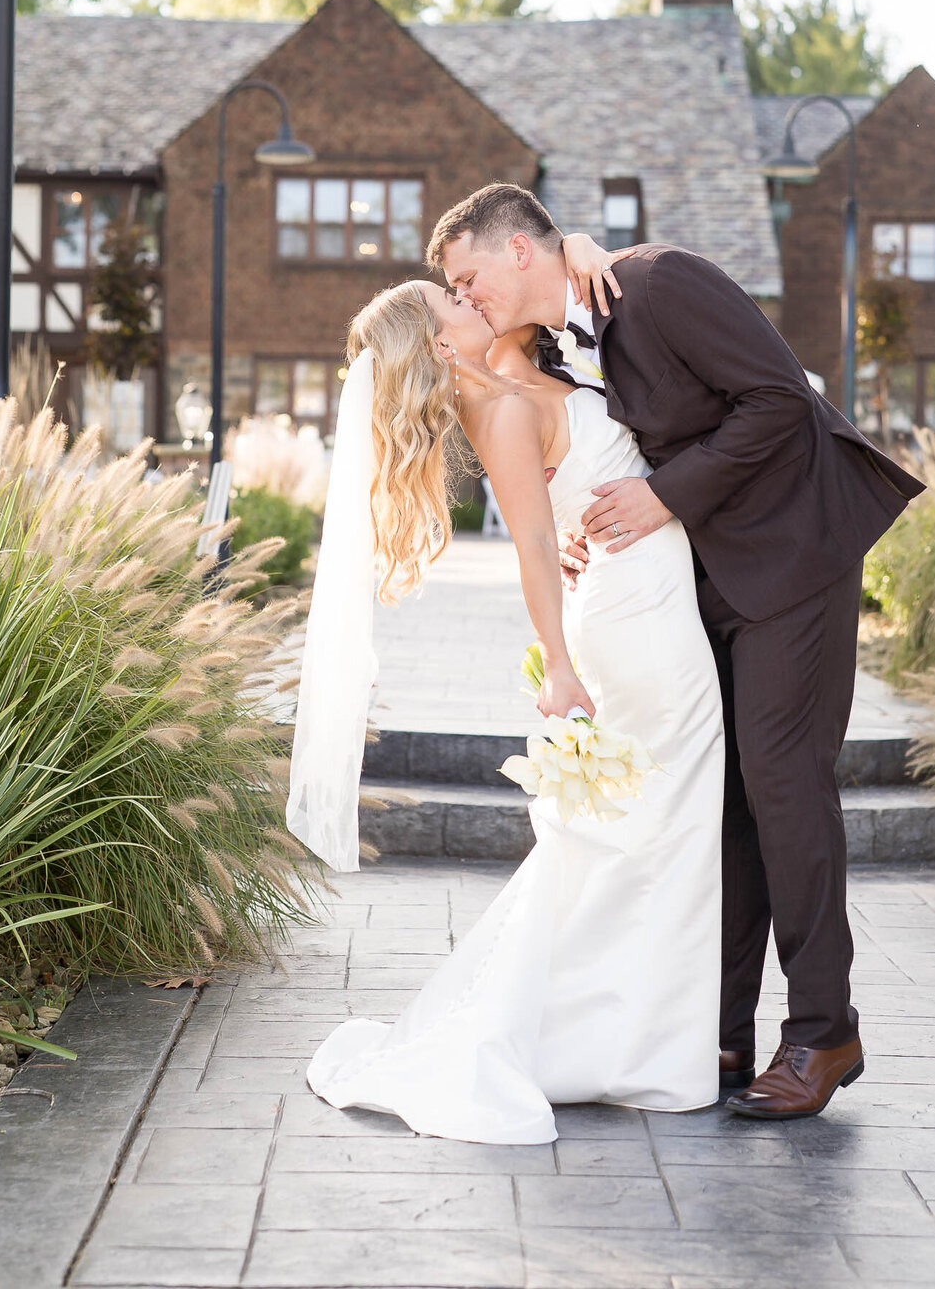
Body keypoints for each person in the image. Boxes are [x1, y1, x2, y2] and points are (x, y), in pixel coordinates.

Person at [430, 183, 924, 1121]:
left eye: (468, 277)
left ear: (519, 250)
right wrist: (582, 524)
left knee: (783, 783)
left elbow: (780, 400)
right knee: (726, 800)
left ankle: (824, 1032)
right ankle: (719, 1029)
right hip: (698, 580)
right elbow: (597, 444)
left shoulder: (660, 282)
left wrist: (663, 497)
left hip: (793, 551)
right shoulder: (551, 341)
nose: (466, 296)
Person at [291, 276, 725, 1145]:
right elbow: (530, 542)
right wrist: (558, 666)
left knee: (651, 826)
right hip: (636, 622)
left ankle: (635, 1039)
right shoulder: (498, 410)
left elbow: (551, 286)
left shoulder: (512, 376)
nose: (467, 298)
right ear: (439, 343)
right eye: (451, 301)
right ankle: (632, 1046)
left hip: (641, 597)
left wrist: (584, 254)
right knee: (664, 822)